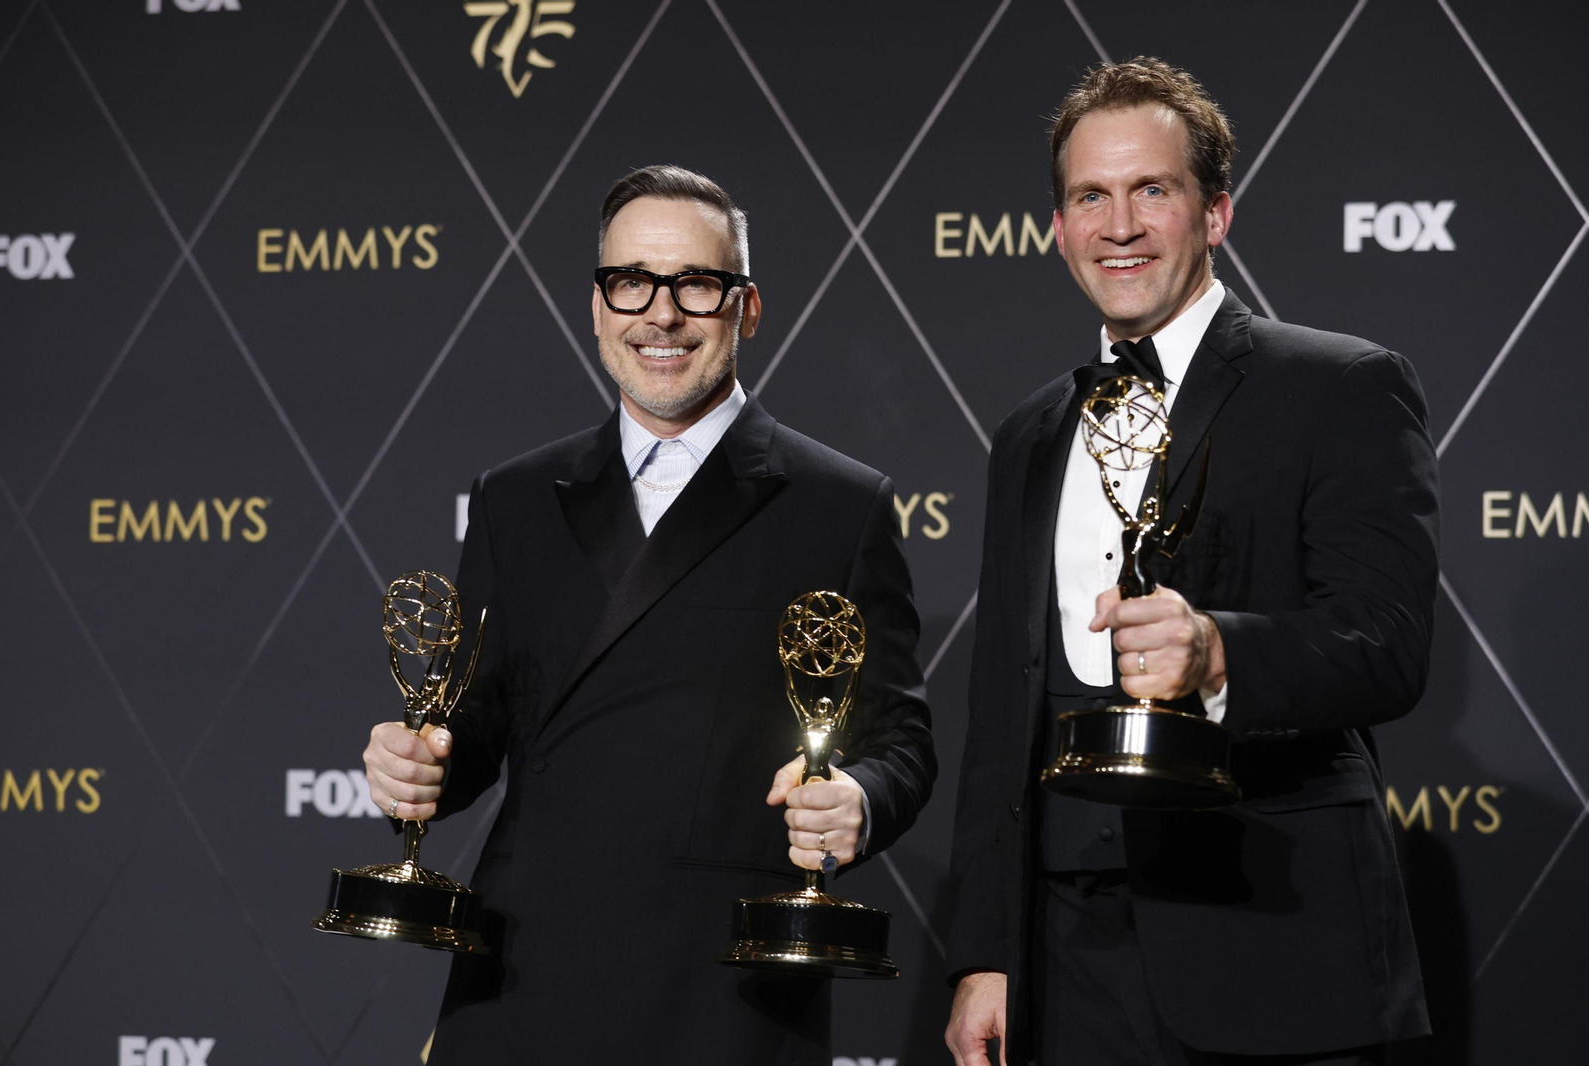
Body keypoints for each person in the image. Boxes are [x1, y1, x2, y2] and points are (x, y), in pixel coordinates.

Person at [362, 165, 935, 1064]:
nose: (659, 315)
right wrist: (417, 765)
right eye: (630, 282)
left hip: (719, 992)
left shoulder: (839, 505)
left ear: (746, 308)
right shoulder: (513, 500)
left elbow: (900, 740)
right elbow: (472, 729)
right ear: (597, 308)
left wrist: (858, 796)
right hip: (523, 977)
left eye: (695, 286)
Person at [943, 58, 1436, 1066]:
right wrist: (985, 955)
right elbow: (1001, 713)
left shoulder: (1338, 386)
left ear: (1214, 212)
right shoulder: (1028, 434)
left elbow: (1386, 646)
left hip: (1267, 932)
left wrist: (1218, 655)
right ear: (1056, 226)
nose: (1117, 224)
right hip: (1067, 957)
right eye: (1090, 195)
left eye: (1150, 190)